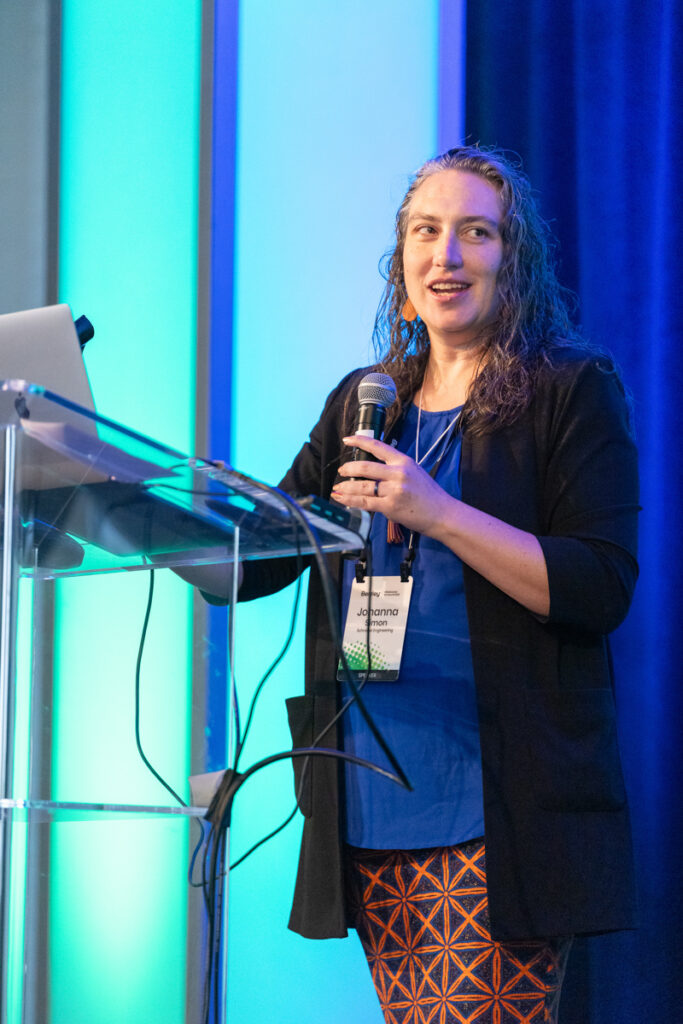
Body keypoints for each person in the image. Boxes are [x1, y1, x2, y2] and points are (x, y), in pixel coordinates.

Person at [194, 146, 639, 1024]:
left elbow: (599, 585)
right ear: (400, 262)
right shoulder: (366, 402)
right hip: (368, 803)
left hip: (499, 809)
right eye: (425, 232)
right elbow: (261, 563)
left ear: (513, 261)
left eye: (475, 233)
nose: (446, 255)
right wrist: (168, 514)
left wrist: (436, 511)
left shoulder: (568, 391)